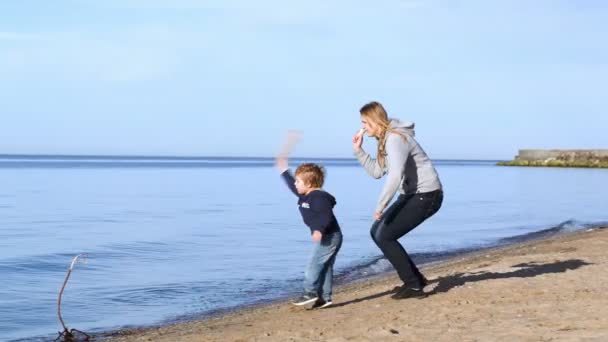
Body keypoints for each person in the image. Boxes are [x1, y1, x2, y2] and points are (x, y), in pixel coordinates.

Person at [352, 101, 443, 299]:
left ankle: (414, 285)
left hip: (427, 194)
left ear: (375, 121)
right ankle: (415, 279)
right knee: (376, 232)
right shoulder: (385, 140)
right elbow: (377, 172)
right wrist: (359, 151)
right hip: (411, 194)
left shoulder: (395, 139)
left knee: (385, 236)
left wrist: (380, 205)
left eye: (365, 123)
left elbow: (394, 176)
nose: (363, 128)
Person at [276, 131, 343, 309]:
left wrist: (318, 229)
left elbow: (325, 215)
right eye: (296, 181)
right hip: (328, 236)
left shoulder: (318, 197)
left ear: (310, 184)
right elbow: (288, 177)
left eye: (298, 181)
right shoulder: (304, 194)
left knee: (313, 265)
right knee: (326, 267)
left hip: (330, 236)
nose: (295, 184)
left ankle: (309, 292)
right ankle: (325, 298)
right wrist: (285, 160)